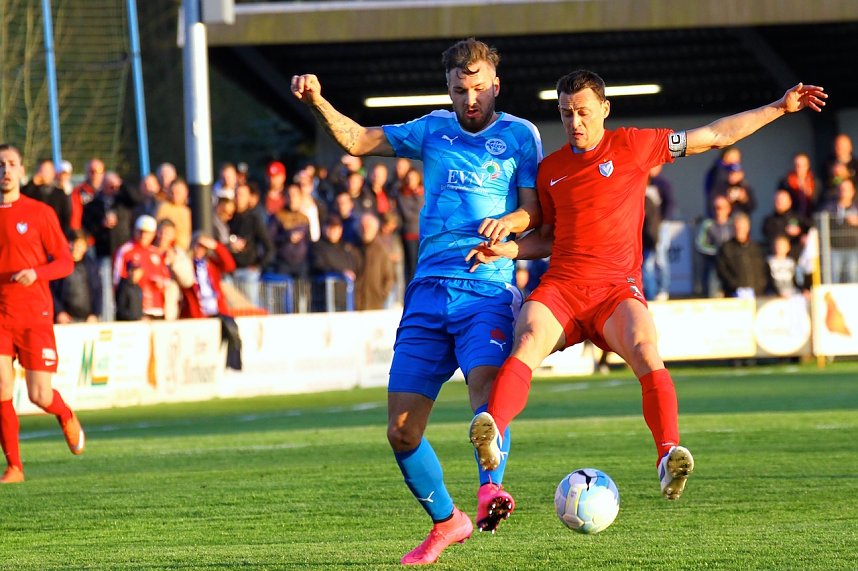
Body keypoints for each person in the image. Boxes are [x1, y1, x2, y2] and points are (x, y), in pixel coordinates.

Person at [465, 71, 826, 506]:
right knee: (527, 339)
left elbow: (713, 135)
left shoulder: (634, 145)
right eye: (565, 113)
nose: (574, 122)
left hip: (615, 290)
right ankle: (493, 431)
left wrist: (778, 108)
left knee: (645, 347)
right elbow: (548, 237)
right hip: (562, 287)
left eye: (581, 112)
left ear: (604, 109)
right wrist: (508, 250)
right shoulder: (551, 170)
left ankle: (667, 454)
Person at [292, 37, 542, 564]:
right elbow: (358, 141)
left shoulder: (520, 136)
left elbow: (534, 211)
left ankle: (490, 488)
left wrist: (511, 225)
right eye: (459, 89)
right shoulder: (432, 130)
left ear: (496, 84)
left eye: (478, 88)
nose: (469, 98)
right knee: (401, 432)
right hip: (428, 293)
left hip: (487, 288)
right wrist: (318, 100)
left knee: (486, 385)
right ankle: (448, 521)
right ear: (448, 90)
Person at [0, 143, 85, 484]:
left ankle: (63, 413)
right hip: (0, 314)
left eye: (11, 164)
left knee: (39, 395)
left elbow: (65, 261)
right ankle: (15, 467)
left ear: (22, 171)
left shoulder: (39, 212)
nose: (5, 170)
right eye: (0, 164)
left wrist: (37, 273)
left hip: (34, 314)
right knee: (1, 386)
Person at [180, 232, 242, 370]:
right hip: (197, 311)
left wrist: (216, 246)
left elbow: (229, 265)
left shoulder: (211, 264)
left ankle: (232, 366)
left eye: (203, 247)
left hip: (216, 310)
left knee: (232, 332)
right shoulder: (187, 264)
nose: (199, 250)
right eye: (198, 246)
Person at [51, 230, 102, 324]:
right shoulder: (58, 264)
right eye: (72, 243)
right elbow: (51, 291)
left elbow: (97, 291)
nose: (75, 248)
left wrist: (95, 314)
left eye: (80, 245)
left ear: (85, 247)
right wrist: (59, 312)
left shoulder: (91, 266)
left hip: (87, 320)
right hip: (64, 320)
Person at [716, 212, 769, 298]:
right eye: (737, 227)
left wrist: (761, 285)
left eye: (742, 227)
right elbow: (722, 271)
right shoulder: (726, 248)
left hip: (758, 294)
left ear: (748, 228)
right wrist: (735, 286)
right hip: (735, 295)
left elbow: (764, 269)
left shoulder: (757, 248)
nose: (740, 230)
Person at [695, 194, 734, 297]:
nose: (718, 211)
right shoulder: (708, 224)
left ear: (728, 209)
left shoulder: (733, 225)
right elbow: (700, 244)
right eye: (715, 208)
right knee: (712, 293)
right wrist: (719, 251)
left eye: (721, 208)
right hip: (713, 265)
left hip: (731, 266)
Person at [354, 212, 394, 311]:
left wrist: (382, 295)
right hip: (355, 305)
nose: (365, 230)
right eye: (363, 227)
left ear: (375, 229)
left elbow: (389, 277)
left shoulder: (382, 251)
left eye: (368, 227)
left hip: (375, 304)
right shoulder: (352, 249)